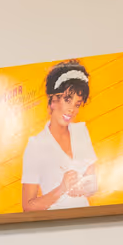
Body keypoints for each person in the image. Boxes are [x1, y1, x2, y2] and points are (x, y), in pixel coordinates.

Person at [20, 60, 101, 211]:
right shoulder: (36, 145)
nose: (72, 109)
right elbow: (28, 207)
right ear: (52, 100)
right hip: (55, 226)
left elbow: (92, 184)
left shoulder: (81, 131)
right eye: (67, 100)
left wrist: (88, 187)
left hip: (87, 220)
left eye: (77, 104)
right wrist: (61, 189)